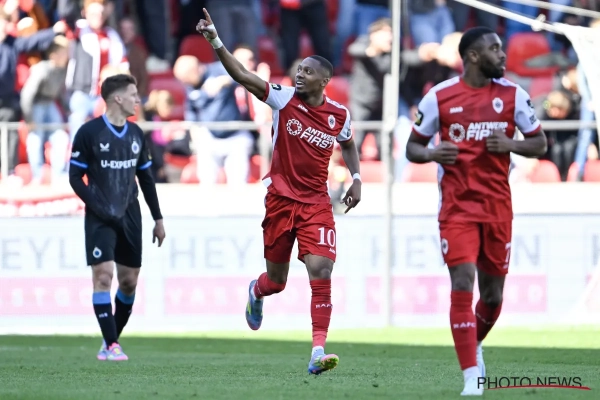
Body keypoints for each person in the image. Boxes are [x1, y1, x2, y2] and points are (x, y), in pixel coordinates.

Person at [196, 8, 362, 375]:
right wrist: (215, 40)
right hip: (281, 201)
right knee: (277, 281)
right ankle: (256, 291)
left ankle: (318, 351)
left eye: (308, 72)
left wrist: (356, 178)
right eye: (299, 69)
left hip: (317, 202)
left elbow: (349, 144)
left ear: (325, 81)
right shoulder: (283, 99)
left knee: (321, 269)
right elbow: (243, 76)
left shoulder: (339, 114)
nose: (300, 74)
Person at [405, 27, 547, 396]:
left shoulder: (514, 95)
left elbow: (539, 143)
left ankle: (475, 343)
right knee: (462, 283)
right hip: (457, 208)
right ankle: (472, 376)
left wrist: (511, 144)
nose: (502, 54)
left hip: (498, 207)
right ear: (472, 56)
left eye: (501, 48)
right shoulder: (439, 97)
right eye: (494, 49)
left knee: (494, 296)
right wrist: (433, 153)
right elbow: (412, 148)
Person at [69, 74, 166, 361]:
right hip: (100, 216)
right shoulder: (89, 132)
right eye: (134, 94)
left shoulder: (136, 134)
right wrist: (95, 205)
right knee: (103, 276)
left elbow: (146, 178)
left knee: (129, 282)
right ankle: (112, 345)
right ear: (117, 98)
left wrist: (158, 218)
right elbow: (74, 177)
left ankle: (109, 341)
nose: (138, 100)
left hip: (130, 213)